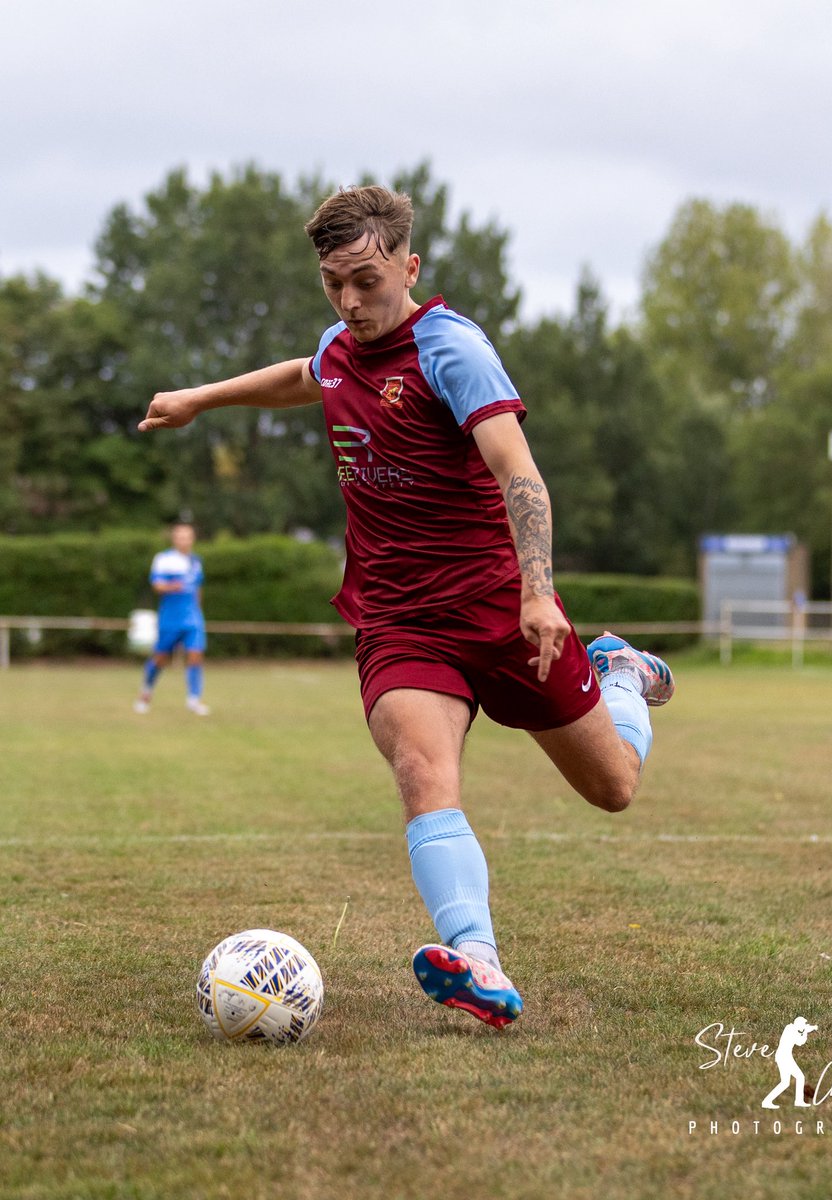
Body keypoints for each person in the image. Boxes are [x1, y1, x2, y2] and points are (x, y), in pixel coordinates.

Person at [137, 185, 673, 1029]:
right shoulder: (342, 345)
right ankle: (479, 962)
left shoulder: (451, 350)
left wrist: (539, 593)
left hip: (499, 611)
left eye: (366, 281)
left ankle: (620, 674)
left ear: (408, 266)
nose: (350, 303)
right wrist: (200, 398)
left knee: (614, 788)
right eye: (332, 284)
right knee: (423, 773)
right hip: (398, 621)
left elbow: (519, 475)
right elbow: (302, 376)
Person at [133, 522, 210, 716]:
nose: (184, 540)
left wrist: (199, 612)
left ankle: (194, 699)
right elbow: (157, 585)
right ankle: (146, 691)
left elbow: (198, 589)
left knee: (195, 655)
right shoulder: (164, 559)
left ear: (192, 539)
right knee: (160, 659)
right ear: (174, 539)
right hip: (170, 617)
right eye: (180, 537)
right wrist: (171, 587)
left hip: (192, 618)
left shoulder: (196, 561)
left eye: (188, 536)